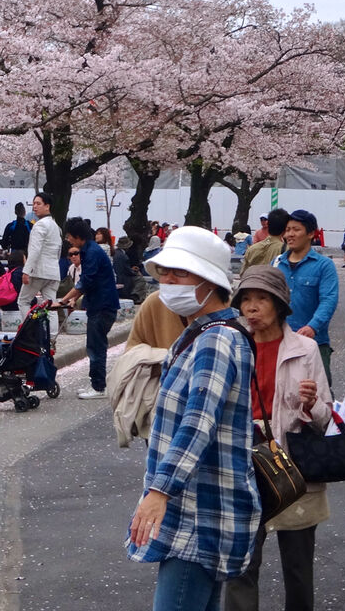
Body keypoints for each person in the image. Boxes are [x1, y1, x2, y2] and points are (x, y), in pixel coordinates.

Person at [126, 226, 260, 611]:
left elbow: (198, 423)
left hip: (198, 513)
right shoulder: (203, 334)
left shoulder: (217, 339)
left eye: (180, 273)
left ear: (209, 280)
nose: (168, 281)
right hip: (198, 507)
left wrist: (159, 492)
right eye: (165, 272)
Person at [224, 266, 332, 611]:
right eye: (246, 300)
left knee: (298, 569)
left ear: (280, 305)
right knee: (240, 567)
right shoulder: (229, 343)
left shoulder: (306, 349)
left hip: (291, 468)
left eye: (262, 299)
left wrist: (312, 404)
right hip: (242, 465)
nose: (251, 308)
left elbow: (327, 417)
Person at [273, 209, 339, 387]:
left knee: (318, 395)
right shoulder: (277, 263)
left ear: (311, 233)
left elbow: (329, 299)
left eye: (296, 229)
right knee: (279, 392)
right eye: (287, 230)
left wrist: (313, 326)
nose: (290, 234)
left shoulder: (324, 265)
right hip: (279, 340)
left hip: (314, 342)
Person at [60, 218, 120, 399]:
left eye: (70, 236)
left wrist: (63, 299)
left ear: (78, 236)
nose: (68, 239)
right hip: (99, 304)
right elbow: (87, 283)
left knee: (96, 346)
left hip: (103, 305)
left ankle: (99, 387)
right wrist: (72, 300)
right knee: (94, 345)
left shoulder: (92, 253)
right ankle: (96, 383)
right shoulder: (89, 251)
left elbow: (85, 281)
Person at [24, 193, 62, 308]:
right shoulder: (56, 226)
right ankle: (52, 327)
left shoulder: (39, 225)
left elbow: (35, 250)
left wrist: (27, 271)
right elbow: (59, 250)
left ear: (47, 206)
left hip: (38, 272)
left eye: (38, 203)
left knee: (23, 301)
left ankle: (29, 326)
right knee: (51, 305)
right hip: (53, 272)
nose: (35, 206)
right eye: (34, 203)